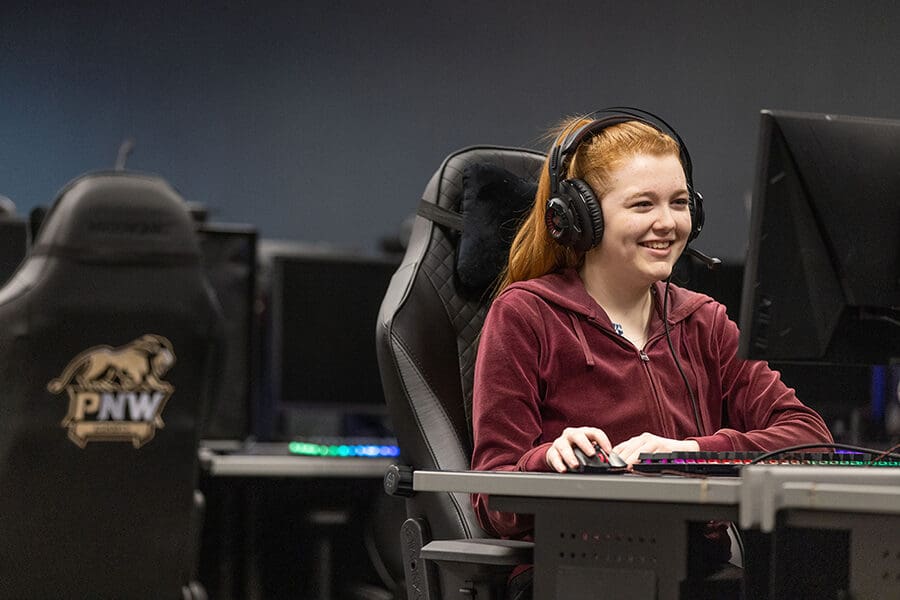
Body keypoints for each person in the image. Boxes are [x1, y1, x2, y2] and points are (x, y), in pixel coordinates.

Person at [469, 108, 833, 597]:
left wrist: (693, 453)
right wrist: (547, 459)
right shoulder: (525, 316)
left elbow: (810, 439)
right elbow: (493, 498)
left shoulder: (703, 322)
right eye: (643, 205)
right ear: (581, 217)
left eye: (679, 203)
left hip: (697, 575)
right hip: (571, 575)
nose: (667, 223)